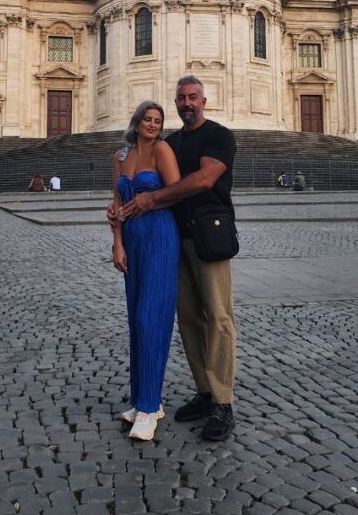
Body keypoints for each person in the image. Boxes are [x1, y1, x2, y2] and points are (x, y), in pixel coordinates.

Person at [116, 75, 238, 441]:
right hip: (173, 237)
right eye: (182, 99)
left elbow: (204, 180)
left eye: (193, 98)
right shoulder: (170, 143)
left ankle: (223, 402)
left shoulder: (219, 136)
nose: (188, 103)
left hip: (207, 235)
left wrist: (152, 199)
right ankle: (204, 391)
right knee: (187, 319)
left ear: (204, 100)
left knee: (217, 317)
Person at [111, 101, 181, 441]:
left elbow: (176, 192)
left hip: (159, 235)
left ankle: (150, 409)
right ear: (136, 122)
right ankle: (142, 400)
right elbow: (116, 205)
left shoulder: (164, 150)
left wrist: (150, 200)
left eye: (158, 120)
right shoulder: (121, 157)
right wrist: (117, 243)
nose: (152, 125)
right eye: (147, 119)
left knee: (149, 317)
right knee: (135, 318)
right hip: (133, 241)